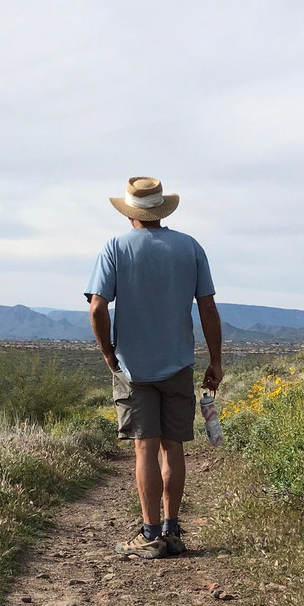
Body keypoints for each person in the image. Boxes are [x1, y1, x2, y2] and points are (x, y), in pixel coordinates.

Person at [85, 176, 223, 560]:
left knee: (144, 448)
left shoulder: (115, 247)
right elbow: (207, 308)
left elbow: (97, 308)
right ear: (161, 210)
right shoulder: (189, 247)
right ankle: (172, 530)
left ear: (130, 211)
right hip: (178, 362)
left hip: (133, 366)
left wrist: (108, 352)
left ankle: (149, 534)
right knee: (173, 446)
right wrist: (215, 360)